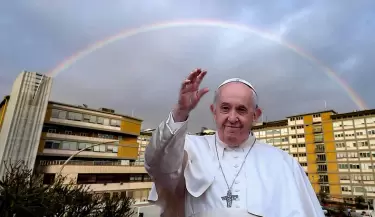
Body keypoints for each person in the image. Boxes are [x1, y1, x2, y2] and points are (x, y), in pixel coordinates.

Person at [144, 68, 324, 217]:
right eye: (225, 108)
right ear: (214, 111)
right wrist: (181, 111)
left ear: (255, 115)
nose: (232, 117)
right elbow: (156, 164)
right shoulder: (188, 148)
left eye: (241, 110)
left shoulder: (283, 162)